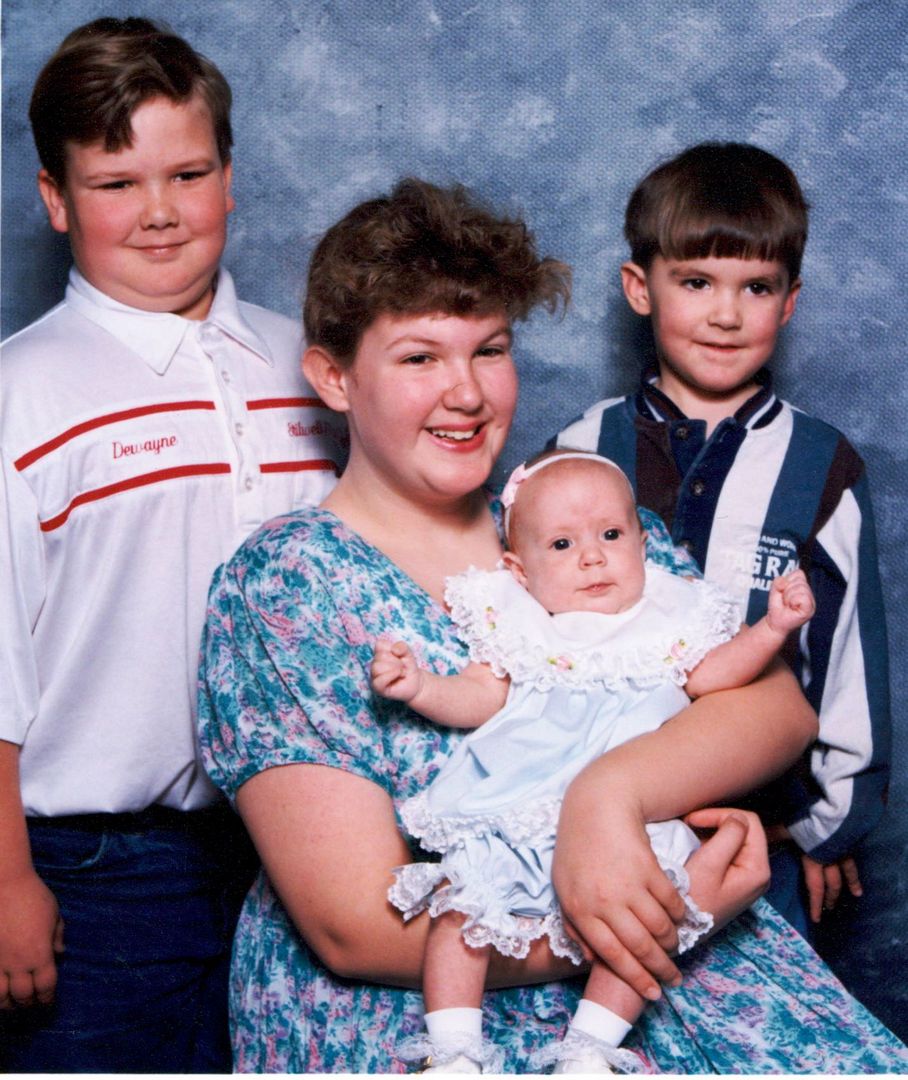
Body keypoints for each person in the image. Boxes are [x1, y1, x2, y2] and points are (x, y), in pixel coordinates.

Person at [198, 177, 907, 1073]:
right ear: (334, 378)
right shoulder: (285, 582)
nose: (465, 392)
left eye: (489, 350)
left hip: (671, 968)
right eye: (420, 359)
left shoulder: (581, 522)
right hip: (432, 1005)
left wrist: (609, 798)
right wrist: (666, 911)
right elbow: (350, 929)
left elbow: (776, 710)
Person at [0, 18, 345, 1073]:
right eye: (115, 183)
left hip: (310, 852)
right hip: (92, 876)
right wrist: (6, 881)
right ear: (57, 198)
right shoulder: (23, 395)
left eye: (187, 174)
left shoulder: (312, 367)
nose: (158, 211)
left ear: (229, 179)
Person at [372, 449, 816, 1073]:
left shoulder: (670, 617)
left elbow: (712, 678)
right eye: (562, 544)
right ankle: (452, 1050)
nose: (592, 557)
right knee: (463, 909)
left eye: (611, 535)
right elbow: (481, 697)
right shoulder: (523, 624)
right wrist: (420, 687)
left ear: (642, 543)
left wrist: (772, 630)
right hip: (527, 799)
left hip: (630, 822)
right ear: (519, 570)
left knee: (646, 920)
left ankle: (591, 1047)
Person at [552, 142, 890, 938]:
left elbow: (847, 658)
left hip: (755, 836)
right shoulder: (580, 448)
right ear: (640, 288)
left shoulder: (820, 464)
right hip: (590, 824)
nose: (727, 315)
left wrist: (827, 825)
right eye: (697, 282)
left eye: (756, 287)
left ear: (790, 302)